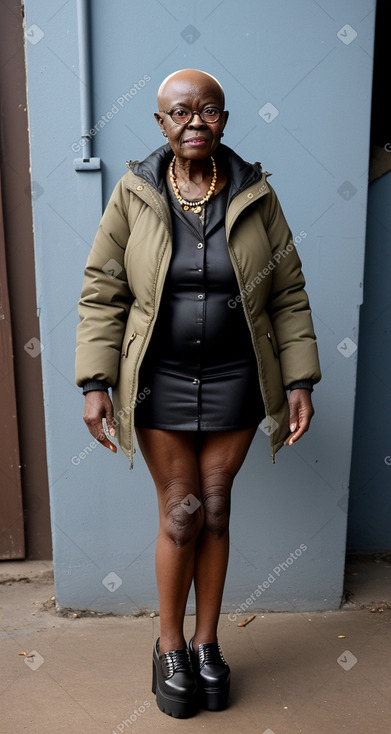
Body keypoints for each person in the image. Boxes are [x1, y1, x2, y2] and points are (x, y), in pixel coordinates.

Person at [75, 68, 321, 719]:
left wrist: (299, 378)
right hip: (158, 380)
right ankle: (169, 646)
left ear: (223, 120)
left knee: (213, 507)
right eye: (179, 112)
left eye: (207, 110)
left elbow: (289, 293)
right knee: (180, 512)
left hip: (238, 375)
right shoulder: (133, 193)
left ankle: (207, 643)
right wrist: (95, 381)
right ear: (159, 123)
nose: (193, 121)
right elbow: (103, 289)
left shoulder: (254, 193)